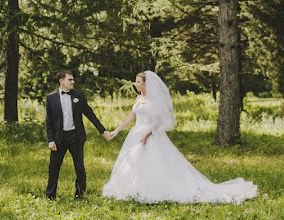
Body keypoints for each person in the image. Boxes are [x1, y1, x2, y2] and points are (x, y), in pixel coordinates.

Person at [102, 71, 258, 203]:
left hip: (151, 136)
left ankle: (156, 189)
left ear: (145, 84)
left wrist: (147, 135)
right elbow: (130, 118)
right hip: (136, 134)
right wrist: (116, 131)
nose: (136, 84)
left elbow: (159, 120)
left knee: (154, 163)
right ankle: (133, 188)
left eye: (138, 82)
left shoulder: (153, 101)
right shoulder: (138, 99)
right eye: (136, 82)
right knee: (134, 163)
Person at [45, 69, 113, 199]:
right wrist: (51, 140)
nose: (73, 82)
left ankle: (79, 194)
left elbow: (90, 114)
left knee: (79, 166)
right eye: (70, 79)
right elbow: (49, 122)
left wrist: (103, 131)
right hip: (59, 138)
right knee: (54, 167)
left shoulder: (78, 96)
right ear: (61, 81)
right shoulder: (51, 98)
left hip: (76, 137)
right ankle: (50, 195)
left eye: (72, 79)